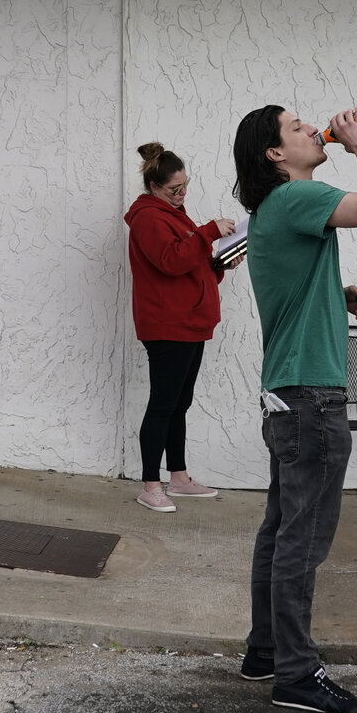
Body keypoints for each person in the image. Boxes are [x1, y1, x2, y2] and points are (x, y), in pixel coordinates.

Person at [231, 104, 357, 713]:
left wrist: (339, 295)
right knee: (303, 537)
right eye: (297, 127)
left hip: (289, 395)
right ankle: (298, 675)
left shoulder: (271, 212)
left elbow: (290, 292)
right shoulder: (296, 197)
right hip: (311, 398)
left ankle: (265, 652)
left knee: (281, 529)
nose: (313, 129)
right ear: (275, 155)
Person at [125, 143, 234, 513]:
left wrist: (218, 263)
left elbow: (187, 266)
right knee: (162, 405)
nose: (182, 193)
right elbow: (171, 261)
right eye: (175, 188)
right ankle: (151, 485)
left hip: (189, 323)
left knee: (179, 404)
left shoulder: (174, 215)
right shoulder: (148, 219)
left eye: (185, 185)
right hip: (168, 326)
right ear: (154, 186)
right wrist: (207, 233)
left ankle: (179, 477)